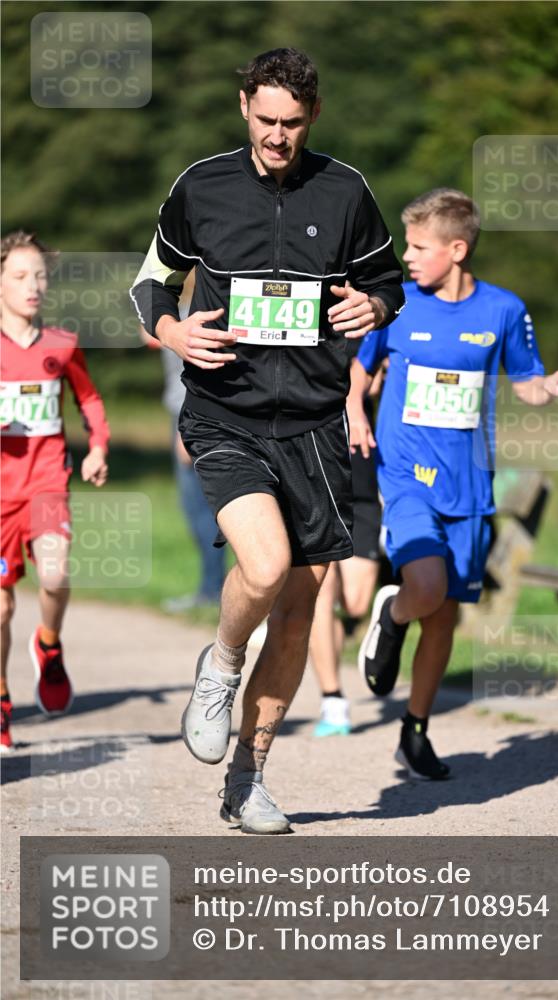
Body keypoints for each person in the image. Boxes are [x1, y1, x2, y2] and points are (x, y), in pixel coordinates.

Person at [130, 48, 404, 832]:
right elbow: (149, 281)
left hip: (315, 425)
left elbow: (386, 282)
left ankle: (247, 777)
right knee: (267, 563)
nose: (277, 137)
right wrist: (171, 328)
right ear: (243, 105)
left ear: (311, 116)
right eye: (264, 119)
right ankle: (219, 664)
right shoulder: (202, 185)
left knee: (296, 612)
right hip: (225, 412)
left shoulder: (345, 190)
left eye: (291, 123)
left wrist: (374, 310)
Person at [350, 188, 558, 779]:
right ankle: (393, 615)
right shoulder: (395, 303)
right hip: (405, 475)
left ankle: (415, 730)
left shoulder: (502, 309)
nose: (407, 255)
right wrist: (354, 409)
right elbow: (361, 368)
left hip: (471, 485)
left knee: (446, 618)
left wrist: (549, 384)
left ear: (457, 249)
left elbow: (524, 379)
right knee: (423, 586)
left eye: (419, 245)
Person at [1, 231, 109, 753]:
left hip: (46, 483)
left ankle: (48, 644)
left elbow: (88, 400)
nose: (32, 286)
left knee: (55, 573)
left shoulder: (61, 343)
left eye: (39, 275)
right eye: (20, 276)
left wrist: (98, 448)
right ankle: (1, 700)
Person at [140, 272, 227, 612]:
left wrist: (184, 429)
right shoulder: (178, 311)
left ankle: (211, 589)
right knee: (201, 510)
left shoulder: (191, 313)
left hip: (188, 418)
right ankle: (212, 587)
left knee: (200, 510)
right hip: (185, 416)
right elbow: (145, 332)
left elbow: (190, 377)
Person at [308, 356, 383, 737]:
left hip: (361, 476)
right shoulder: (307, 324)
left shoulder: (376, 326)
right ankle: (332, 698)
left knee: (355, 603)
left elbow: (379, 388)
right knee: (321, 592)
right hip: (312, 472)